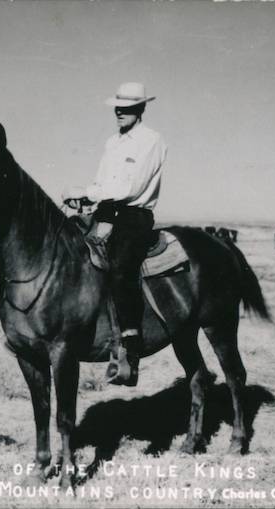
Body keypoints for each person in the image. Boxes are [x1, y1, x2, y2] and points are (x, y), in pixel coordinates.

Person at [62, 82, 167, 386]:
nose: (120, 112)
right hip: (106, 212)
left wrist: (87, 192)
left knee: (121, 268)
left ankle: (130, 345)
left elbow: (129, 188)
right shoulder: (112, 142)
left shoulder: (152, 141)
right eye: (117, 107)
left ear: (141, 108)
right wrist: (84, 200)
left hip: (134, 216)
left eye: (128, 107)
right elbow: (102, 183)